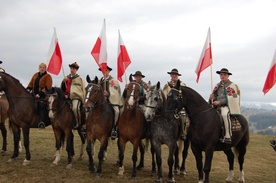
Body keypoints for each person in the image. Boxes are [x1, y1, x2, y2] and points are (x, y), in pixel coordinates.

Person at [209, 68, 241, 144]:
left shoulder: (232, 86)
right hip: (216, 105)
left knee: (224, 114)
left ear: (228, 76)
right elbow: (215, 96)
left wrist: (219, 102)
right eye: (221, 74)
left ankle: (228, 135)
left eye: (224, 75)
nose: (222, 76)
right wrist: (212, 98)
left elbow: (232, 98)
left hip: (227, 106)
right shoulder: (217, 85)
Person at [163, 68, 189, 140]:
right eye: (172, 74)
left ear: (178, 75)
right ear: (170, 75)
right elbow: (164, 96)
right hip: (170, 107)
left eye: (175, 74)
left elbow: (184, 96)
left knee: (182, 117)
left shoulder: (182, 84)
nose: (173, 76)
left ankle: (183, 133)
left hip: (179, 107)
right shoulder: (167, 85)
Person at [98, 66, 123, 139]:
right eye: (103, 70)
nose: (104, 72)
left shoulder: (113, 81)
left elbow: (116, 92)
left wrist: (108, 94)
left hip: (111, 101)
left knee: (117, 111)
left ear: (108, 71)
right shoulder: (100, 81)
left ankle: (114, 128)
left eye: (105, 70)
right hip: (101, 101)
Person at [123, 71, 149, 136]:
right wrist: (125, 89)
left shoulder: (144, 85)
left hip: (141, 104)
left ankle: (148, 130)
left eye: (139, 76)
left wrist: (139, 98)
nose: (137, 77)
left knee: (147, 113)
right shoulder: (131, 84)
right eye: (136, 76)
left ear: (141, 77)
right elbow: (124, 95)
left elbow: (147, 95)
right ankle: (118, 128)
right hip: (130, 103)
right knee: (121, 111)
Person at [26, 63, 52, 128]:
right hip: (34, 94)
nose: (42, 69)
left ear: (45, 69)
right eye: (40, 67)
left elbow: (48, 87)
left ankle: (41, 121)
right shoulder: (35, 75)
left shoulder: (48, 76)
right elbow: (31, 83)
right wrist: (28, 89)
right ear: (39, 68)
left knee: (41, 105)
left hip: (43, 96)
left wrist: (40, 94)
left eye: (43, 67)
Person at [61, 62, 85, 129]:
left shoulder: (80, 79)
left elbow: (82, 89)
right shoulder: (66, 78)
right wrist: (63, 82)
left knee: (75, 108)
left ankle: (78, 123)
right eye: (71, 68)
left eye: (73, 69)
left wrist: (83, 99)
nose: (72, 70)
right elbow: (63, 88)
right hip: (66, 97)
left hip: (76, 97)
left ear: (76, 70)